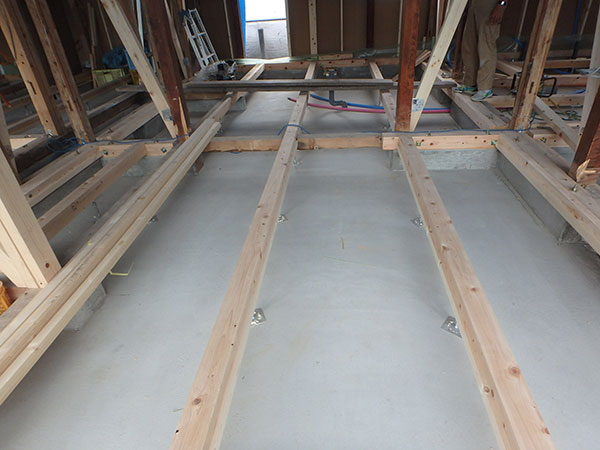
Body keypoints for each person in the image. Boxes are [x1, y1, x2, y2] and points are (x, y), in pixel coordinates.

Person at [453, 0, 507, 101]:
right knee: (469, 44)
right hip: (475, 4)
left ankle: (485, 88)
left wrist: (501, 5)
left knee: (486, 46)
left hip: (490, 5)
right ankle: (470, 83)